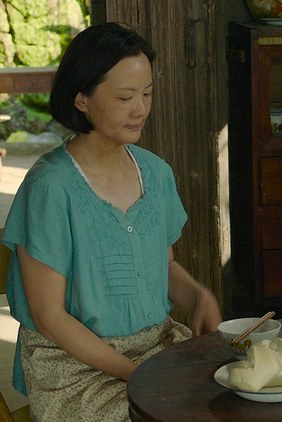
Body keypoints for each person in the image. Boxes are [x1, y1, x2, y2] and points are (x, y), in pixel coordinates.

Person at [2, 22, 222, 421]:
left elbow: (162, 266)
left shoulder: (155, 173)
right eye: (125, 97)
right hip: (74, 370)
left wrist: (197, 297)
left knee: (237, 398)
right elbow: (50, 318)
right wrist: (139, 376)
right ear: (81, 99)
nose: (140, 109)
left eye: (147, 94)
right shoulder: (50, 187)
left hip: (155, 349)